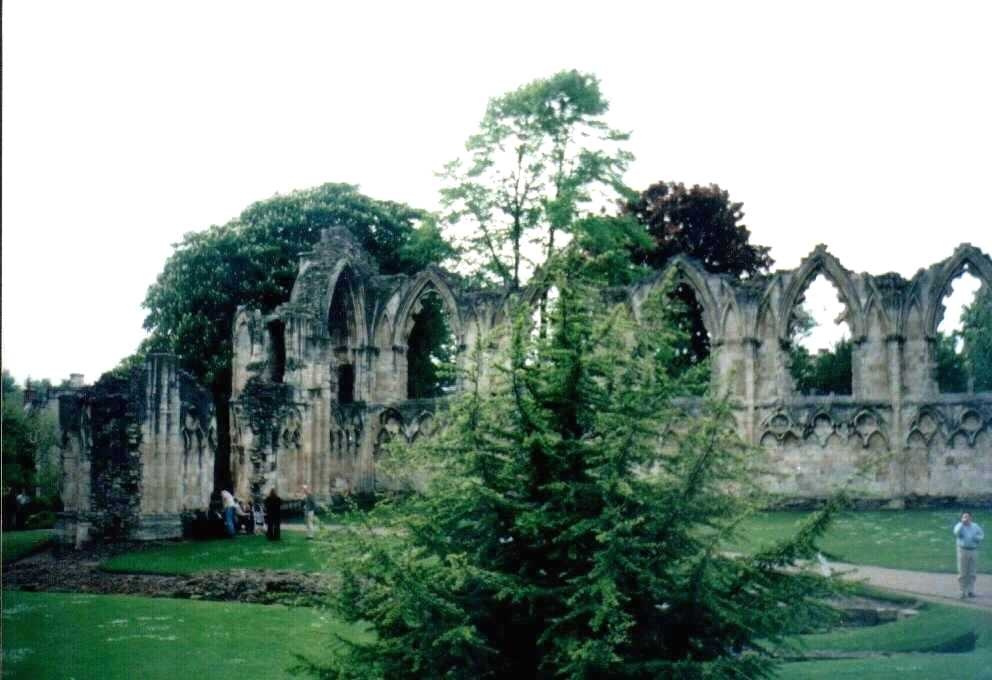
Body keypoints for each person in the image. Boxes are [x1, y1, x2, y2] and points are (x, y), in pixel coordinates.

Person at [953, 512, 984, 598]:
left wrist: (976, 538)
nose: (966, 518)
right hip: (963, 550)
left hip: (973, 550)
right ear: (962, 518)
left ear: (971, 518)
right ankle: (962, 591)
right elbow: (956, 533)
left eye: (968, 517)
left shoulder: (975, 526)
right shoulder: (959, 526)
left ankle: (970, 591)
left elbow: (981, 535)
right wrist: (962, 524)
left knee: (972, 572)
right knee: (962, 572)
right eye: (964, 517)